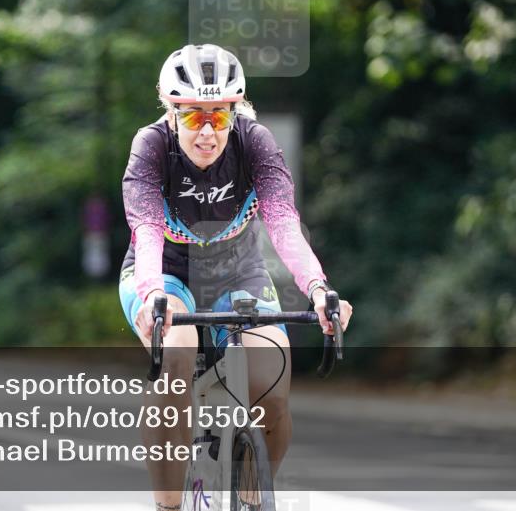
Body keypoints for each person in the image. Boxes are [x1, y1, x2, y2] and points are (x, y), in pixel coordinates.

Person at [119, 43, 353, 511]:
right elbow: (146, 230)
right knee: (177, 360)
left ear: (234, 111)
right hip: (166, 275)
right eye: (192, 118)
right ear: (171, 112)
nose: (207, 132)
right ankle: (167, 505)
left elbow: (284, 221)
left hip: (239, 273)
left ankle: (254, 494)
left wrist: (318, 288)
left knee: (272, 380)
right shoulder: (152, 145)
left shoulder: (254, 141)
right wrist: (150, 297)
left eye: (219, 117)